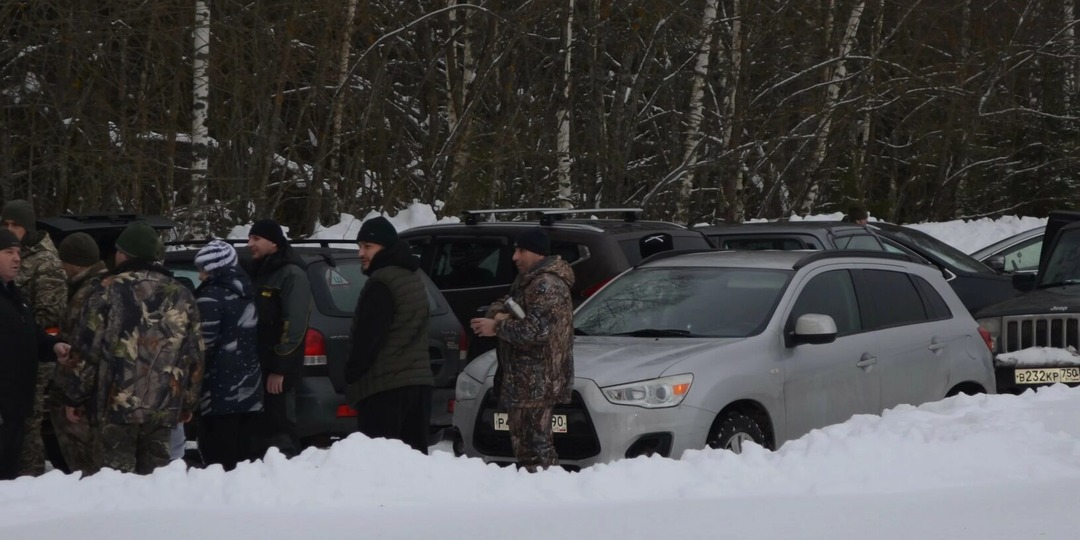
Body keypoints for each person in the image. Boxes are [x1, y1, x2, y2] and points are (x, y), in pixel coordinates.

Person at [57, 223, 204, 474]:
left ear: (122, 254)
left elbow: (86, 349)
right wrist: (188, 401)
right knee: (154, 482)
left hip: (115, 409)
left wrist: (74, 396)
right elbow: (195, 354)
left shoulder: (106, 290)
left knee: (116, 483)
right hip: (162, 408)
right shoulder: (181, 294)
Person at [469, 228, 574, 472]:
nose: (515, 257)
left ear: (538, 253)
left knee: (537, 449)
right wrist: (503, 315)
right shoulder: (528, 280)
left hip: (537, 381)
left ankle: (550, 495)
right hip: (523, 381)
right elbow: (500, 303)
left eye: (521, 251)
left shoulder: (547, 285)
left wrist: (496, 327)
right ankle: (535, 497)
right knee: (525, 449)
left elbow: (536, 331)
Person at [344, 217, 433, 454]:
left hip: (385, 388)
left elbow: (368, 337)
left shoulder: (382, 282)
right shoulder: (412, 276)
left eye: (367, 247)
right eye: (359, 246)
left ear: (385, 247)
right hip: (417, 385)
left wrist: (351, 374)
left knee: (380, 465)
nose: (361, 253)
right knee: (413, 462)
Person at [1, 199, 67, 476]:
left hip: (26, 377)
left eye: (15, 225)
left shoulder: (44, 263)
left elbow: (47, 320)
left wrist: (50, 345)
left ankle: (30, 484)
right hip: (9, 387)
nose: (10, 228)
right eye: (5, 225)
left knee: (25, 438)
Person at [193, 240, 263, 470]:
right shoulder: (247, 291)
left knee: (218, 462)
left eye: (203, 269)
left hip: (218, 392)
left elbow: (203, 344)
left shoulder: (211, 296)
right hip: (249, 389)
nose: (200, 275)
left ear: (214, 268)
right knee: (245, 461)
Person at [245, 219, 310, 458]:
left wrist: (280, 368)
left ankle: (287, 473)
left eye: (256, 239)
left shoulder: (291, 274)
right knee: (259, 430)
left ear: (273, 242)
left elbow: (293, 324)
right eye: (250, 238)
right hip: (257, 367)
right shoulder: (260, 270)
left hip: (277, 371)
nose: (250, 244)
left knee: (279, 427)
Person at [50, 232, 108, 476]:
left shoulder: (84, 295)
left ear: (73, 263)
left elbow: (79, 350)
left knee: (85, 468)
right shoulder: (113, 285)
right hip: (109, 391)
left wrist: (72, 396)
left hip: (85, 397)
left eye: (63, 262)